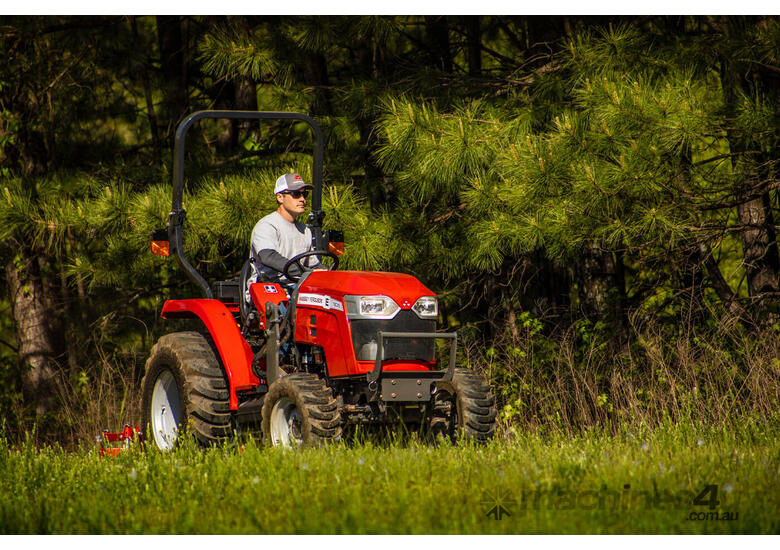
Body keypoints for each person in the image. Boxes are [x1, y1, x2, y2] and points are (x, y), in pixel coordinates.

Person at [248, 173, 319, 295]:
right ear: (280, 197)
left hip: (297, 287)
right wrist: (307, 273)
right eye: (296, 194)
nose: (302, 199)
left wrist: (327, 274)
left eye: (304, 194)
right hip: (269, 289)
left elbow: (314, 265)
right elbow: (268, 257)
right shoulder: (267, 225)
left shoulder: (305, 230)